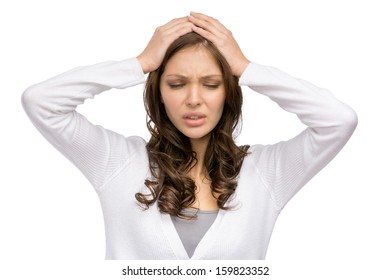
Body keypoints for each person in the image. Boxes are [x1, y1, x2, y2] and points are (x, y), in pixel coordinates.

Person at [21, 12, 357, 260]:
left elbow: (338, 121)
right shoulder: (117, 163)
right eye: (177, 84)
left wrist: (245, 67)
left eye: (210, 85)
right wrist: (140, 63)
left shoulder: (267, 173)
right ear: (159, 93)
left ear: (228, 93)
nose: (193, 99)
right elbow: (42, 101)